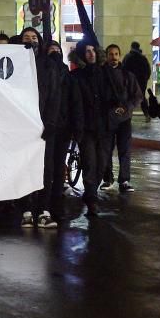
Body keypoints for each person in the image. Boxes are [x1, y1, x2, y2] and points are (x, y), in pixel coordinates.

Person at [26, 40, 78, 229]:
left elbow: (73, 101)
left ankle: (53, 202)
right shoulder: (40, 71)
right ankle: (36, 205)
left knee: (56, 167)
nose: (55, 52)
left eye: (57, 50)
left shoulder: (67, 75)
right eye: (51, 50)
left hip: (62, 128)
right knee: (43, 166)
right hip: (43, 126)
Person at [71, 43, 114, 217]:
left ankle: (91, 193)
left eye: (93, 51)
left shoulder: (104, 74)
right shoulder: (76, 76)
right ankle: (92, 199)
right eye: (87, 51)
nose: (91, 54)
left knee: (102, 163)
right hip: (86, 128)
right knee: (90, 163)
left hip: (104, 128)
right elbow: (75, 104)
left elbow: (113, 97)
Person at [102, 44, 143, 193]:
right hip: (107, 118)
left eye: (116, 54)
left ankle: (124, 180)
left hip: (124, 119)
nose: (113, 57)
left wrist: (126, 108)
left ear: (120, 56)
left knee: (124, 150)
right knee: (106, 150)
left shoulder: (128, 75)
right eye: (111, 54)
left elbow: (137, 96)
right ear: (106, 56)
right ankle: (108, 178)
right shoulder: (101, 75)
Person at [122, 41, 151, 114]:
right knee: (142, 97)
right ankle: (146, 113)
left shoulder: (127, 57)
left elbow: (123, 69)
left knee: (129, 97)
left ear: (131, 47)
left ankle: (129, 113)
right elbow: (148, 70)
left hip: (130, 81)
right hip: (142, 81)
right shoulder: (143, 58)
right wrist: (146, 79)